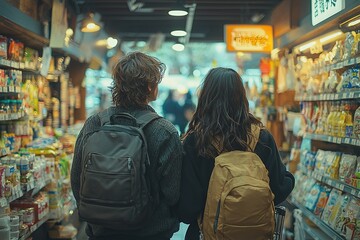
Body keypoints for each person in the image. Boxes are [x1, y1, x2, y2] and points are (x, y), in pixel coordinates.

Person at [71, 52, 183, 240]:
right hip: (151, 233)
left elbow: (77, 180)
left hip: (101, 232)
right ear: (150, 87)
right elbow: (172, 194)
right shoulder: (164, 131)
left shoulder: (94, 123)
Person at [176, 67, 295, 240]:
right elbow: (279, 188)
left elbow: (187, 208)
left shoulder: (196, 140)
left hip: (206, 234)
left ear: (206, 97)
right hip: (255, 234)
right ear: (242, 96)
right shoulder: (261, 137)